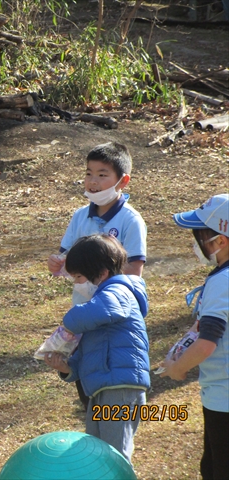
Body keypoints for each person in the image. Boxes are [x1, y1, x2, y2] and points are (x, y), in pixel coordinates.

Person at [47, 142, 147, 409]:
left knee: (111, 367)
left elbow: (134, 272)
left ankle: (112, 430)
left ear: (122, 181)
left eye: (102, 175)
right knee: (87, 374)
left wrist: (104, 282)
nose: (93, 181)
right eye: (89, 173)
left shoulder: (130, 220)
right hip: (85, 310)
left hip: (115, 312)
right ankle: (95, 425)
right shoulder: (81, 216)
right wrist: (58, 264)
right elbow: (68, 260)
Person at [44, 234, 150, 465]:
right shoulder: (99, 305)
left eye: (79, 277)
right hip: (102, 387)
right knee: (98, 453)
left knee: (115, 457)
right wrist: (67, 367)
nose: (76, 284)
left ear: (101, 273)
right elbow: (87, 351)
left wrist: (69, 320)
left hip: (120, 388)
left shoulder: (119, 291)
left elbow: (105, 310)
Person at [160, 194, 228, 480]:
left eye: (198, 236)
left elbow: (207, 342)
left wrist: (179, 368)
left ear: (220, 241)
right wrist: (175, 352)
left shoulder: (221, 282)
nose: (194, 243)